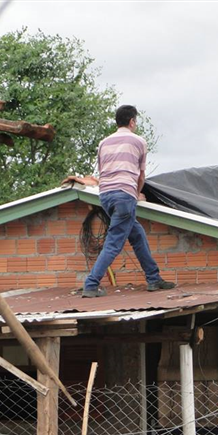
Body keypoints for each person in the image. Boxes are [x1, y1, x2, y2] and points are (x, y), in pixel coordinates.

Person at [81, 104, 175, 298]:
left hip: (105, 196)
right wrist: (137, 193)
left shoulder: (104, 143)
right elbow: (141, 176)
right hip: (124, 195)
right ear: (132, 122)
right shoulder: (138, 141)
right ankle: (91, 284)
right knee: (114, 243)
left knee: (137, 235)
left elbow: (103, 172)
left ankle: (153, 278)